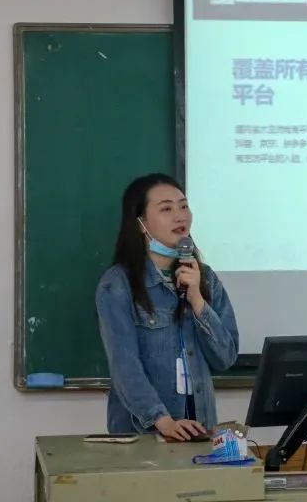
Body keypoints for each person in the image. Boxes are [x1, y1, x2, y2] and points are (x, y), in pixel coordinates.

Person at [96, 173, 239, 440]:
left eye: (184, 206)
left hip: (199, 427)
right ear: (141, 223)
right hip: (144, 432)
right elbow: (124, 365)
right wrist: (163, 421)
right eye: (166, 209)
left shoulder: (205, 278)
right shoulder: (118, 284)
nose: (180, 216)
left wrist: (197, 301)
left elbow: (225, 358)